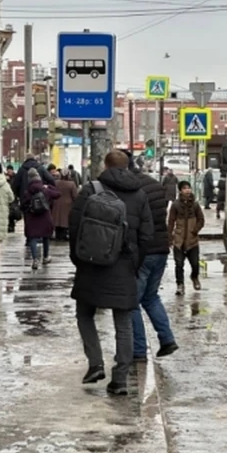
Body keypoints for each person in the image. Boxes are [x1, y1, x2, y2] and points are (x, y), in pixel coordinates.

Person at [68, 150, 154, 396]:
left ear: (105, 165)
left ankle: (95, 363)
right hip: (125, 266)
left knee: (84, 314)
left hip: (91, 264)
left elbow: (74, 229)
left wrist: (80, 260)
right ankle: (121, 378)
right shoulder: (139, 195)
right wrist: (134, 263)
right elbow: (147, 235)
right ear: (128, 166)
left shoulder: (90, 190)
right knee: (123, 322)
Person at [129, 162, 178, 361]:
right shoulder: (155, 185)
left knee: (131, 302)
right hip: (161, 248)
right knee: (150, 297)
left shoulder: (132, 189)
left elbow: (135, 223)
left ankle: (138, 350)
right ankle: (167, 339)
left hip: (144, 251)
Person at [168, 181, 205, 295]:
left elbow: (201, 220)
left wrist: (195, 230)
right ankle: (180, 284)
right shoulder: (175, 205)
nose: (187, 190)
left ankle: (194, 277)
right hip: (179, 240)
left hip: (192, 240)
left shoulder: (195, 205)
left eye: (189, 188)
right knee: (179, 264)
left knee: (195, 263)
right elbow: (171, 221)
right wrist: (170, 237)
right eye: (184, 188)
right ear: (180, 190)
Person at [21, 168, 60, 270]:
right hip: (45, 216)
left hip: (32, 217)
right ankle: (45, 257)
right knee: (45, 236)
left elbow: (23, 205)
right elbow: (57, 194)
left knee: (33, 238)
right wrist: (49, 186)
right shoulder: (45, 189)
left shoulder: (27, 192)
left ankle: (35, 260)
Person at [52, 167, 79, 241]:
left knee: (57, 219)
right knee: (65, 220)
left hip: (57, 203)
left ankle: (58, 235)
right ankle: (64, 235)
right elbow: (75, 195)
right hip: (68, 204)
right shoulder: (71, 184)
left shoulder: (56, 183)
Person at [6, 165, 19, 232]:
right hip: (7, 197)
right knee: (8, 212)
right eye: (8, 170)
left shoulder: (15, 177)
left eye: (10, 170)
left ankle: (12, 225)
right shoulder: (5, 177)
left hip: (14, 197)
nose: (9, 171)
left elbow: (16, 186)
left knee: (13, 212)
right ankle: (9, 226)